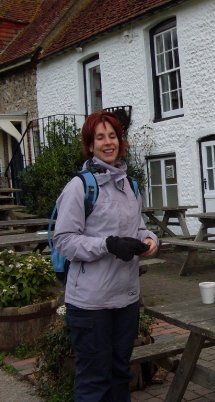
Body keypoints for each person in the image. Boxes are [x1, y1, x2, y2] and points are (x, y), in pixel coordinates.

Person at [54, 110, 159, 401]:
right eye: (100, 137)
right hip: (91, 305)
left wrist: (150, 240)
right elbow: (64, 240)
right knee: (94, 382)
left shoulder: (130, 186)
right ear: (90, 145)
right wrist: (107, 245)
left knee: (120, 375)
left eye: (112, 136)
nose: (108, 142)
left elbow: (139, 227)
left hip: (126, 300)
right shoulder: (80, 187)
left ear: (120, 142)